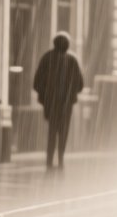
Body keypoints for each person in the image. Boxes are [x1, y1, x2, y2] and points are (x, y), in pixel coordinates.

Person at [33, 32, 85, 169]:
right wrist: (70, 94)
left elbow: (37, 82)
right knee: (63, 131)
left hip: (51, 103)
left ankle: (50, 159)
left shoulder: (47, 58)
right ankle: (60, 158)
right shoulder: (72, 61)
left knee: (52, 131)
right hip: (66, 104)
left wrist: (45, 96)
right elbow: (80, 84)